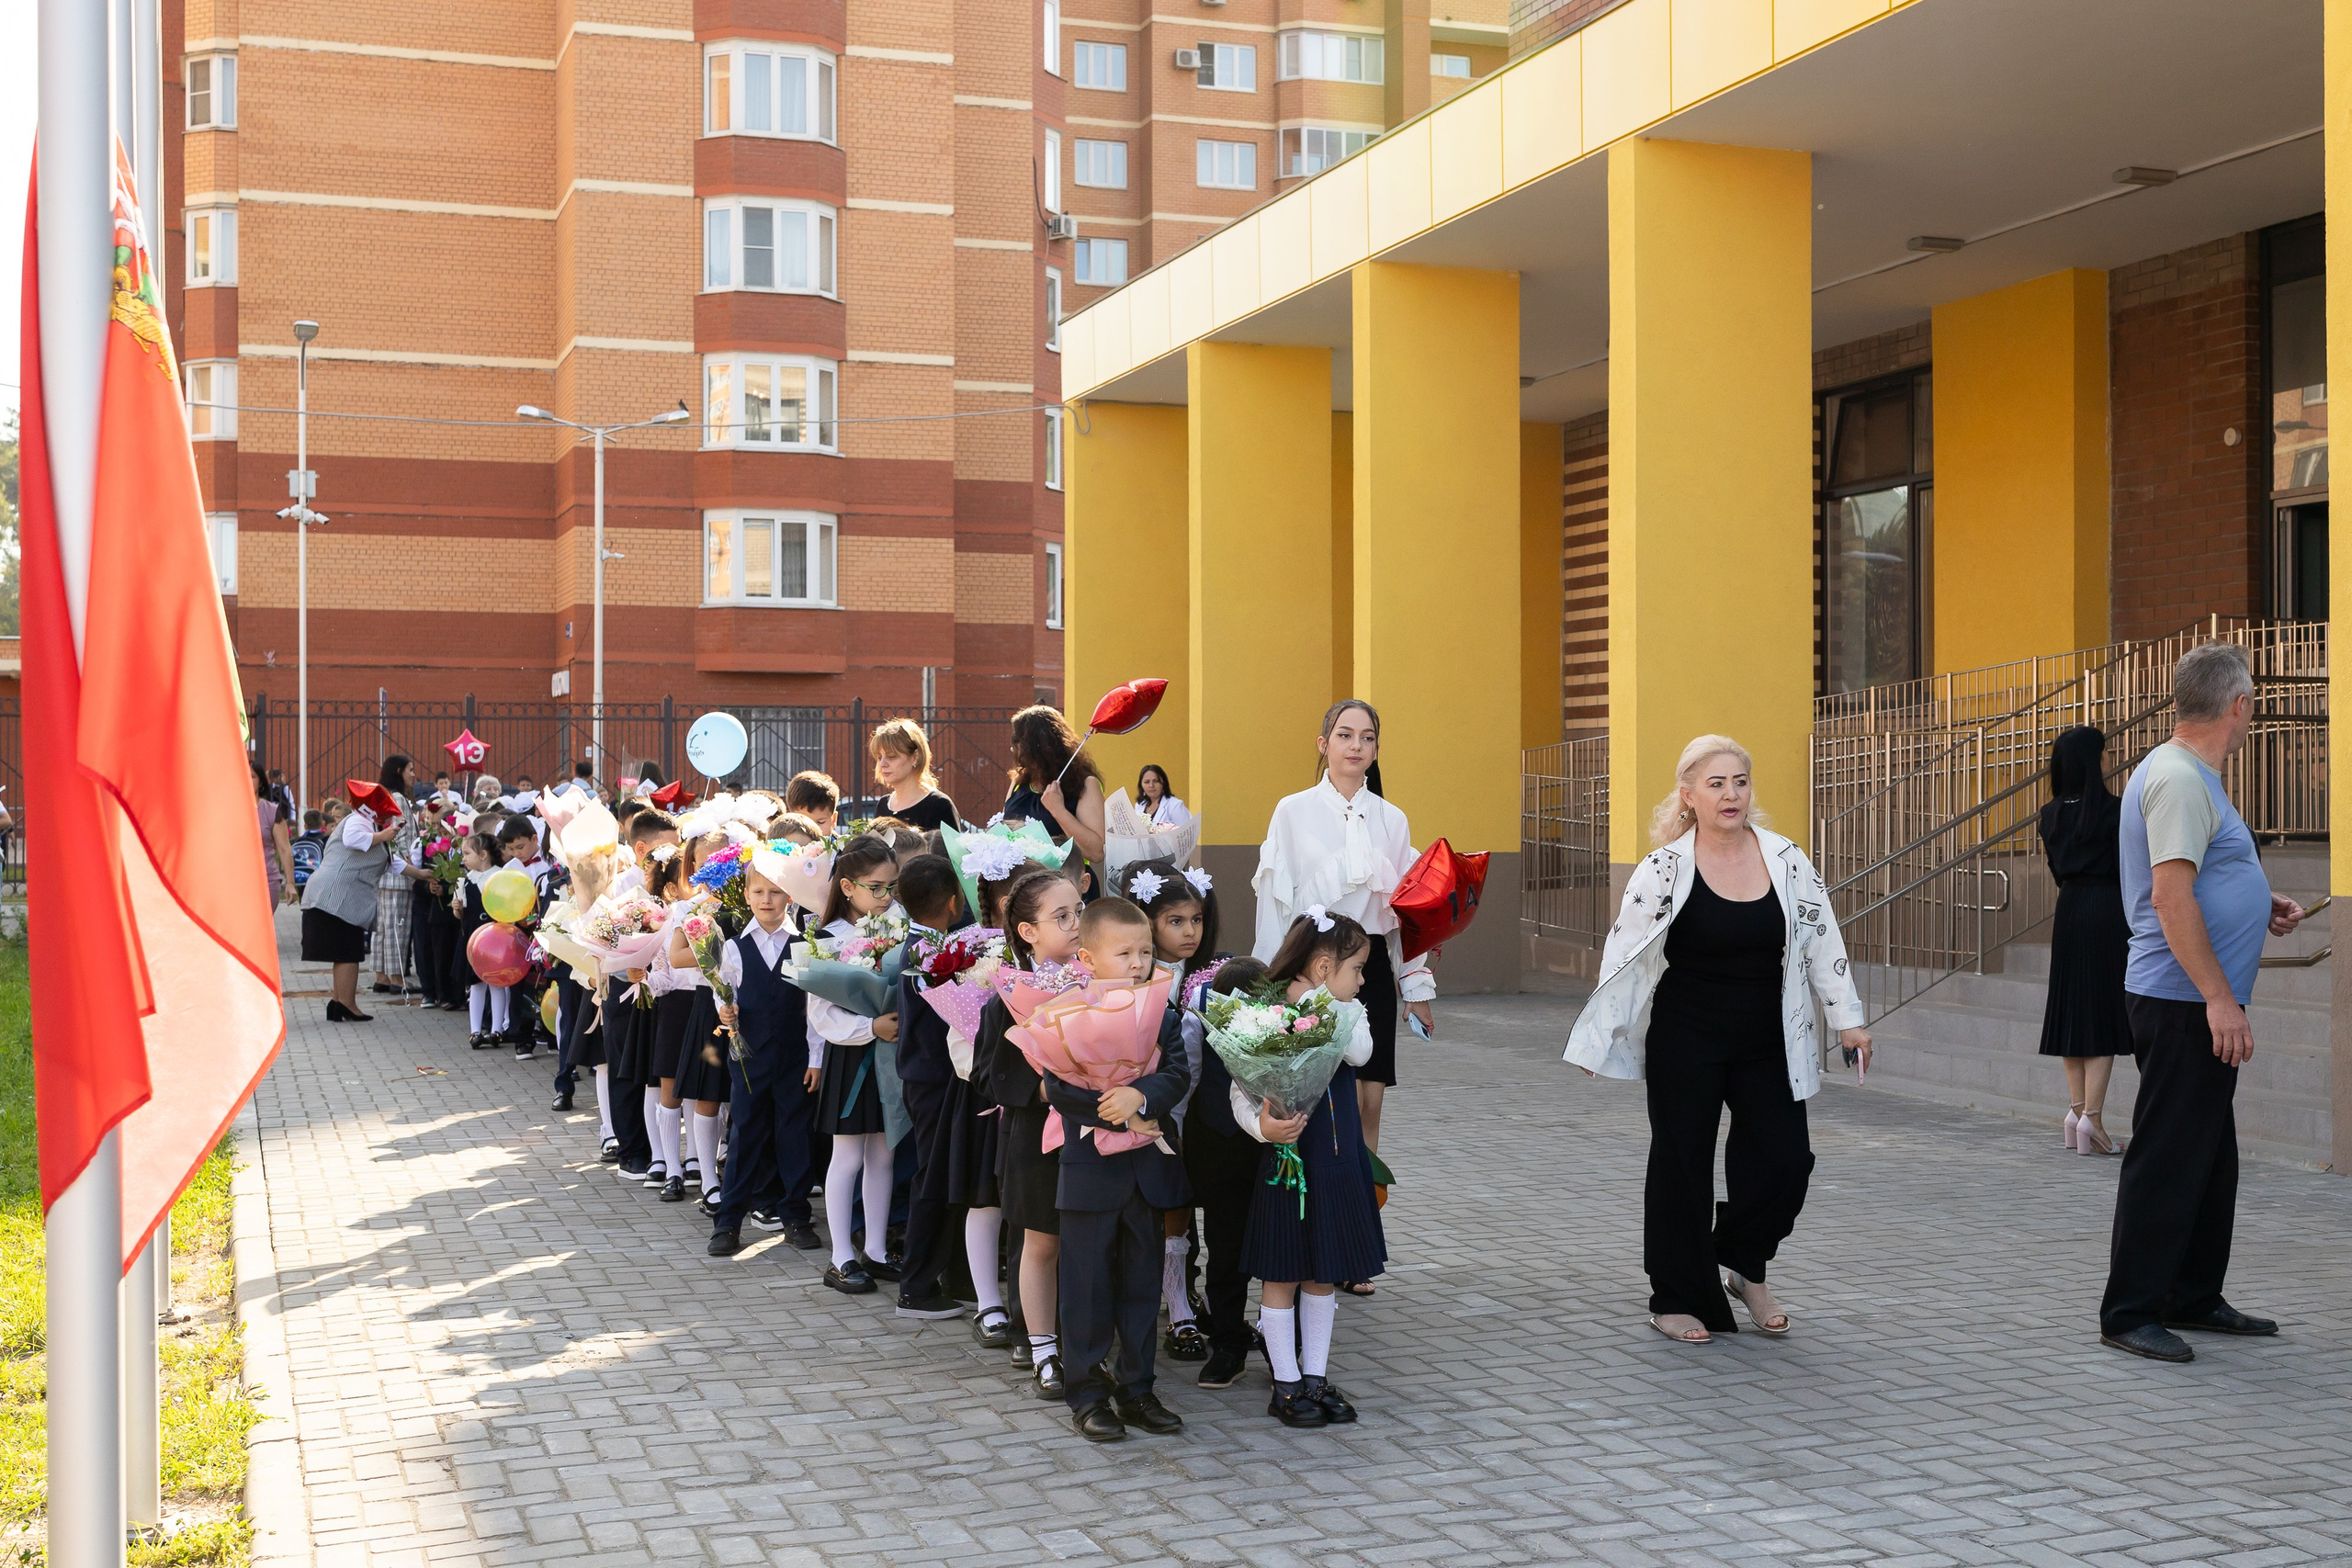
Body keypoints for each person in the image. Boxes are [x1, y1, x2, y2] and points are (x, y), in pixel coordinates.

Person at [1564, 734, 1871, 1345]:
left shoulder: (1786, 858)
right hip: (1687, 1035)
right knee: (1681, 1165)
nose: (1731, 794)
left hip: (1768, 1036)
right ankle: (1675, 1296)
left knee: (1786, 1160)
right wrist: (1601, 1037)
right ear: (1688, 795)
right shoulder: (1664, 868)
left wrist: (1848, 1018)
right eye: (1716, 784)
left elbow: (1822, 937)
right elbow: (1623, 955)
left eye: (1740, 782)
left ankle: (1743, 1263)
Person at [2100, 643, 2305, 1363]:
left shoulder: (2188, 774)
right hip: (2183, 998)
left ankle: (2190, 1293)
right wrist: (2219, 997)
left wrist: (2256, 898)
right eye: (2253, 704)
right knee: (2169, 1154)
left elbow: (2202, 870)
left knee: (2211, 1158)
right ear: (2238, 705)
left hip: (2190, 996)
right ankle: (2130, 1309)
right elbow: (2168, 893)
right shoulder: (2181, 777)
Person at [1252, 700, 1431, 1173]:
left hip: (1370, 969)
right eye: (1345, 735)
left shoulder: (1393, 819)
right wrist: (1271, 979)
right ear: (1323, 744)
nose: (1356, 746)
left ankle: (1365, 1201)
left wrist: (1416, 988)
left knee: (1370, 1100)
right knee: (1326, 1097)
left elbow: (1405, 914)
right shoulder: (1292, 811)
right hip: (1312, 968)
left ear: (1376, 750)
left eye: (1367, 738)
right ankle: (1323, 1195)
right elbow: (1274, 897)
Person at [1230, 912, 1386, 1427]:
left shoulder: (1346, 1010)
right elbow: (1240, 1089)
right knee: (1283, 1274)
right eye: (1356, 969)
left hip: (1338, 1164)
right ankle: (1286, 1384)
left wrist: (1330, 1005)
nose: (1361, 981)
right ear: (1322, 966)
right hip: (1289, 1165)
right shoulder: (1265, 1012)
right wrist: (1262, 1127)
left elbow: (1361, 1053)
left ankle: (1315, 1376)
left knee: (1324, 1273)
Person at [1045, 897, 1191, 1442]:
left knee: (1140, 1287)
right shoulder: (1067, 1013)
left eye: (1145, 953)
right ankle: (1087, 1395)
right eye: (1124, 953)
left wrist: (1141, 1095)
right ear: (1087, 958)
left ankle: (1138, 1390)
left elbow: (1177, 1073)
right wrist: (1121, 1112)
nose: (1138, 963)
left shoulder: (1163, 1012)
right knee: (1085, 1290)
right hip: (1090, 1173)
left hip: (1146, 1174)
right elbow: (1059, 1087)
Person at [978, 866, 1086, 1398]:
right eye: (1061, 916)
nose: (1076, 924)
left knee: (1091, 1243)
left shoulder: (1106, 986)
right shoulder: (1009, 996)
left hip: (1096, 1133)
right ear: (1028, 932)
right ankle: (1042, 1349)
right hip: (1034, 1139)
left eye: (1079, 912)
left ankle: (1088, 1343)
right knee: (1041, 1242)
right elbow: (987, 1074)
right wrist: (1042, 1089)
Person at [709, 854, 823, 1258]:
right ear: (746, 895)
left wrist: (816, 1059)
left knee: (795, 1135)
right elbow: (723, 992)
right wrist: (725, 1012)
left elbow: (814, 1007)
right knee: (744, 1135)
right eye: (758, 891)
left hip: (794, 1057)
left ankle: (796, 1216)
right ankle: (728, 1221)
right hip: (750, 1057)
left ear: (790, 896)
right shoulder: (735, 947)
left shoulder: (805, 945)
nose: (767, 900)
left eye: (775, 892)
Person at [808, 836, 907, 1292]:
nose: (886, 896)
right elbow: (821, 1016)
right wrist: (871, 1027)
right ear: (847, 887)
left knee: (884, 1153)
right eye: (876, 887)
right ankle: (840, 1256)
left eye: (892, 886)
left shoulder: (899, 927)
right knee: (847, 1156)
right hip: (851, 1057)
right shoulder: (826, 939)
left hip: (888, 1054)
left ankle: (877, 1250)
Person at [2036, 726, 2132, 1156]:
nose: (2108, 759)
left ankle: (2076, 1112)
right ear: (2093, 763)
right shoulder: (2114, 810)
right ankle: (2093, 1119)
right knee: (2102, 1014)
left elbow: (2058, 871)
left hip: (2069, 909)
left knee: (2072, 1010)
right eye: (2103, 754)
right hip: (2106, 910)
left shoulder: (2050, 814)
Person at [888, 853, 974, 1320]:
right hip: (932, 1079)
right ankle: (916, 1288)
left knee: (949, 1176)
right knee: (934, 1178)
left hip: (932, 1077)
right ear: (954, 901)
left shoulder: (924, 944)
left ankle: (955, 1275)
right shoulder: (927, 952)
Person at [300, 780, 401, 1021]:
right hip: (337, 899)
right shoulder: (358, 821)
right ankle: (347, 1004)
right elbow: (353, 839)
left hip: (335, 898)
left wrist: (421, 874)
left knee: (343, 952)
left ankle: (338, 1003)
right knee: (348, 952)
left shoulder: (365, 824)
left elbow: (392, 863)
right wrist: (382, 835)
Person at [1003, 705, 1106, 874]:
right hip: (1023, 881)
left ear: (1037, 745)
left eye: (1017, 741)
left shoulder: (1086, 784)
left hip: (1067, 880)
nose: (1013, 748)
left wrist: (1058, 810)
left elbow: (1096, 852)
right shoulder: (1019, 781)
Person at [871, 719, 963, 831]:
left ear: (915, 757)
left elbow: (951, 843)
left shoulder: (939, 805)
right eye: (879, 757)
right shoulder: (883, 804)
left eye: (891, 756)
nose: (882, 764)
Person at [252, 760, 297, 908]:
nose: (248, 780)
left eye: (252, 776)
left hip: (266, 882)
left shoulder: (271, 811)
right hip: (233, 882)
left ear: (261, 782)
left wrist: (290, 883)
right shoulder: (227, 810)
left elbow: (284, 849)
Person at [1136, 763, 1193, 829]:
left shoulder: (1175, 805)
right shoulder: (1139, 805)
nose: (1151, 785)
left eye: (1156, 781)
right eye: (1147, 782)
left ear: (1163, 783)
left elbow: (1186, 831)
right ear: (1141, 785)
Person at [786, 771, 842, 836]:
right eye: (803, 824)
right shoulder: (780, 842)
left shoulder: (844, 842)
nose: (813, 831)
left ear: (834, 819)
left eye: (820, 822)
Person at [290, 808, 328, 892]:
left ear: (305, 826)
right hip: (319, 879)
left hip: (302, 878)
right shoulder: (325, 839)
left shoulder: (297, 841)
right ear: (323, 823)